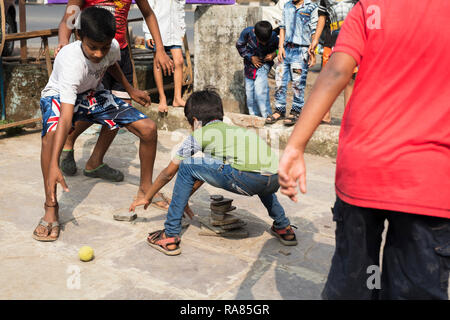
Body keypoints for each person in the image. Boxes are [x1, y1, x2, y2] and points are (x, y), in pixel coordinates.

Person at [278, 0, 450, 299]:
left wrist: (296, 145)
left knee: (355, 285)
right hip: (429, 180)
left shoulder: (371, 6)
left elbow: (336, 72)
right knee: (413, 289)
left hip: (364, 169)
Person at [33, 7, 157, 241]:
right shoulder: (71, 62)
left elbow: (112, 63)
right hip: (58, 96)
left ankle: (145, 188)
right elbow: (66, 117)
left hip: (90, 93)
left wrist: (130, 89)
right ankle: (51, 206)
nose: (99, 53)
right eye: (93, 47)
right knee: (50, 139)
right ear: (79, 36)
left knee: (148, 128)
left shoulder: (110, 47)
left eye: (104, 46)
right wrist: (54, 164)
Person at [130, 89, 298, 256]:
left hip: (247, 179)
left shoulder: (200, 135)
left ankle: (170, 235)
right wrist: (183, 198)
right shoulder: (233, 130)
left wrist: (147, 196)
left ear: (195, 121)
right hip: (275, 178)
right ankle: (284, 227)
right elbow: (207, 172)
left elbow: (168, 173)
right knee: (260, 174)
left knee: (187, 165)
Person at [55, 0, 173, 212]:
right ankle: (68, 140)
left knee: (119, 109)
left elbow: (148, 13)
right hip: (89, 58)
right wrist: (64, 44)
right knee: (87, 106)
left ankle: (95, 162)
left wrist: (160, 49)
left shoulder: (115, 49)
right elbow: (68, 18)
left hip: (118, 53)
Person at [265, 0, 318, 127]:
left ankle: (296, 111)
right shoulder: (287, 5)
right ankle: (280, 110)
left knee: (298, 83)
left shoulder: (311, 7)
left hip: (301, 51)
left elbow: (314, 31)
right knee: (279, 80)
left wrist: (313, 53)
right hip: (286, 50)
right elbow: (282, 27)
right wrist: (280, 47)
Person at [309, 0, 359, 124]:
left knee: (350, 80)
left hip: (352, 41)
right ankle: (325, 116)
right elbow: (322, 17)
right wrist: (315, 39)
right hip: (331, 43)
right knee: (327, 80)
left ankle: (348, 118)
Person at [144, 0, 187, 113]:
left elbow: (181, 10)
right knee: (158, 62)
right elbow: (147, 9)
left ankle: (177, 98)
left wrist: (182, 30)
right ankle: (162, 97)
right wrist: (148, 34)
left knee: (179, 61)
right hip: (157, 30)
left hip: (175, 30)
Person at [236, 21, 278, 119]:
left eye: (266, 41)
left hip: (264, 65)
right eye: (261, 41)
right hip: (249, 67)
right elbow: (240, 45)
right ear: (254, 32)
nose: (264, 43)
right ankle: (253, 117)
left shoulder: (274, 36)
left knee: (260, 91)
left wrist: (273, 54)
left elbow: (280, 48)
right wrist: (250, 57)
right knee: (250, 94)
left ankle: (266, 116)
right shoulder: (247, 32)